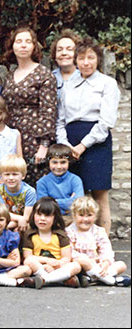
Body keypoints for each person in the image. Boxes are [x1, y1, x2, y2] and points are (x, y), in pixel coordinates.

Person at [56, 38, 119, 233]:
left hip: (96, 142)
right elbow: (60, 120)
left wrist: (83, 145)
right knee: (77, 195)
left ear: (97, 59)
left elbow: (106, 121)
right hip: (71, 141)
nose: (86, 62)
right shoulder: (68, 85)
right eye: (81, 58)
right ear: (76, 61)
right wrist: (65, 145)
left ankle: (103, 246)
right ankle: (79, 243)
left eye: (90, 57)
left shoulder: (107, 84)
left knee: (99, 195)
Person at [1, 26, 57, 185]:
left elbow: (49, 111)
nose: (23, 45)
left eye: (28, 41)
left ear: (34, 46)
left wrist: (44, 146)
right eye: (19, 41)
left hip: (35, 141)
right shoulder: (9, 76)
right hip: (13, 141)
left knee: (37, 188)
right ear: (12, 46)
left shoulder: (44, 75)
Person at [66, 196, 130, 287]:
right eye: (81, 215)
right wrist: (88, 261)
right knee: (81, 261)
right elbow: (70, 251)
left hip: (97, 265)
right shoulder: (70, 231)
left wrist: (105, 262)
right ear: (74, 215)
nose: (85, 219)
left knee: (121, 265)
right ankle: (111, 280)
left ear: (95, 216)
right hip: (81, 266)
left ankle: (92, 279)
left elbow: (106, 249)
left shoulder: (99, 231)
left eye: (89, 215)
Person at [20, 197, 83, 288]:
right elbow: (28, 256)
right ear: (33, 215)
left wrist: (57, 265)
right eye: (39, 214)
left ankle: (45, 280)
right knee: (28, 261)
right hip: (40, 267)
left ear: (55, 218)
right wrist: (47, 261)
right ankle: (60, 279)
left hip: (58, 267)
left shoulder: (60, 235)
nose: (42, 219)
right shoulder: (30, 234)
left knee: (76, 266)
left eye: (47, 215)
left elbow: (66, 257)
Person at [35, 143, 84, 215]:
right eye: (54, 162)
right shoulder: (42, 182)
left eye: (63, 162)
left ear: (69, 162)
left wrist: (52, 201)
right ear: (48, 162)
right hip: (51, 219)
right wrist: (69, 202)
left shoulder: (75, 180)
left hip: (72, 219)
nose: (59, 166)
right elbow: (44, 206)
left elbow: (79, 203)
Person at [0, 155, 36, 232]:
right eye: (7, 174)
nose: (11, 178)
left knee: (19, 231)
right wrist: (19, 219)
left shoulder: (29, 191)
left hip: (24, 223)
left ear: (23, 176)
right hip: (6, 221)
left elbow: (26, 217)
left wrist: (10, 225)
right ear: (1, 175)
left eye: (15, 174)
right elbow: (2, 213)